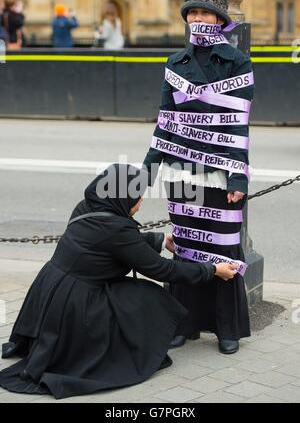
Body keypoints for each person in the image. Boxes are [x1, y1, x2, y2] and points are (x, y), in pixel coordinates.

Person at [0, 164, 237, 399]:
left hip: (51, 289)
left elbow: (112, 244)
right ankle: (125, 350)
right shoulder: (116, 230)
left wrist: (159, 240)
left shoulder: (88, 207)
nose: (141, 200)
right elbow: (163, 269)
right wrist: (213, 270)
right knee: (148, 297)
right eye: (137, 195)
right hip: (78, 303)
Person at [143, 0, 254, 354]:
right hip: (181, 166)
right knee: (187, 245)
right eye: (192, 13)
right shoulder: (176, 63)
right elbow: (165, 120)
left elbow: (239, 124)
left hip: (221, 168)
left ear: (220, 19)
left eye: (205, 13)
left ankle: (227, 328)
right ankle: (184, 322)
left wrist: (238, 174)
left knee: (224, 247)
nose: (197, 18)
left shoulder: (237, 63)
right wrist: (148, 170)